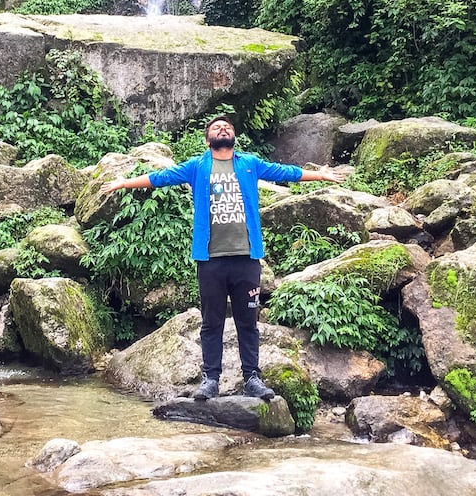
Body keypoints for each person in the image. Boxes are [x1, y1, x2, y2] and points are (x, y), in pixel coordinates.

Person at [99, 114, 346, 401]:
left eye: (227, 126)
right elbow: (160, 178)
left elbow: (284, 172)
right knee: (211, 322)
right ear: (208, 139)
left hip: (246, 257)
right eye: (216, 127)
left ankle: (252, 378)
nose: (223, 128)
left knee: (248, 322)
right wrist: (122, 183)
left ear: (233, 136)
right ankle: (210, 380)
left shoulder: (250, 164)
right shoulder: (197, 166)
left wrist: (320, 175)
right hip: (211, 259)